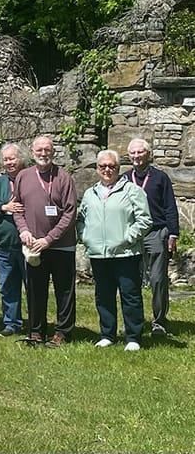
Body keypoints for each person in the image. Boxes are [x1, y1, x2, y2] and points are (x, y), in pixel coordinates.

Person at [78, 149, 152, 351]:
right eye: (103, 166)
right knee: (103, 295)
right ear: (97, 168)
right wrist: (86, 237)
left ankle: (133, 337)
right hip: (99, 254)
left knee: (130, 295)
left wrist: (127, 238)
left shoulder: (132, 190)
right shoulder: (89, 193)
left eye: (112, 166)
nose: (107, 170)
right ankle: (107, 334)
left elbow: (145, 220)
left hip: (126, 253)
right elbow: (81, 219)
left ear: (119, 169)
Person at [13, 135, 77, 347]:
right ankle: (36, 331)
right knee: (35, 289)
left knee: (64, 290)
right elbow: (17, 208)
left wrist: (49, 239)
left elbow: (70, 213)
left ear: (53, 152)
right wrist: (23, 230)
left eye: (47, 150)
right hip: (33, 247)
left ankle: (63, 332)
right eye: (39, 150)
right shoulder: (23, 176)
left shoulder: (63, 177)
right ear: (32, 152)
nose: (43, 154)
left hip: (61, 245)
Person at [127, 137, 180, 336]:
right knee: (131, 280)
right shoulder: (124, 178)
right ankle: (134, 321)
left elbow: (170, 207)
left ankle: (159, 322)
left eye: (140, 152)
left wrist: (173, 233)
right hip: (133, 235)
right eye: (132, 152)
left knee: (158, 280)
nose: (136, 156)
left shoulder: (160, 177)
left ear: (148, 154)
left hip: (156, 233)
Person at [0, 143, 29, 336]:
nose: (9, 162)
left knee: (33, 285)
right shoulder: (0, 182)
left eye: (12, 158)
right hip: (5, 242)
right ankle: (11, 323)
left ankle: (36, 322)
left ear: (21, 158)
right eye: (6, 159)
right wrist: (4, 207)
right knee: (7, 286)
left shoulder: (31, 178)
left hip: (28, 243)